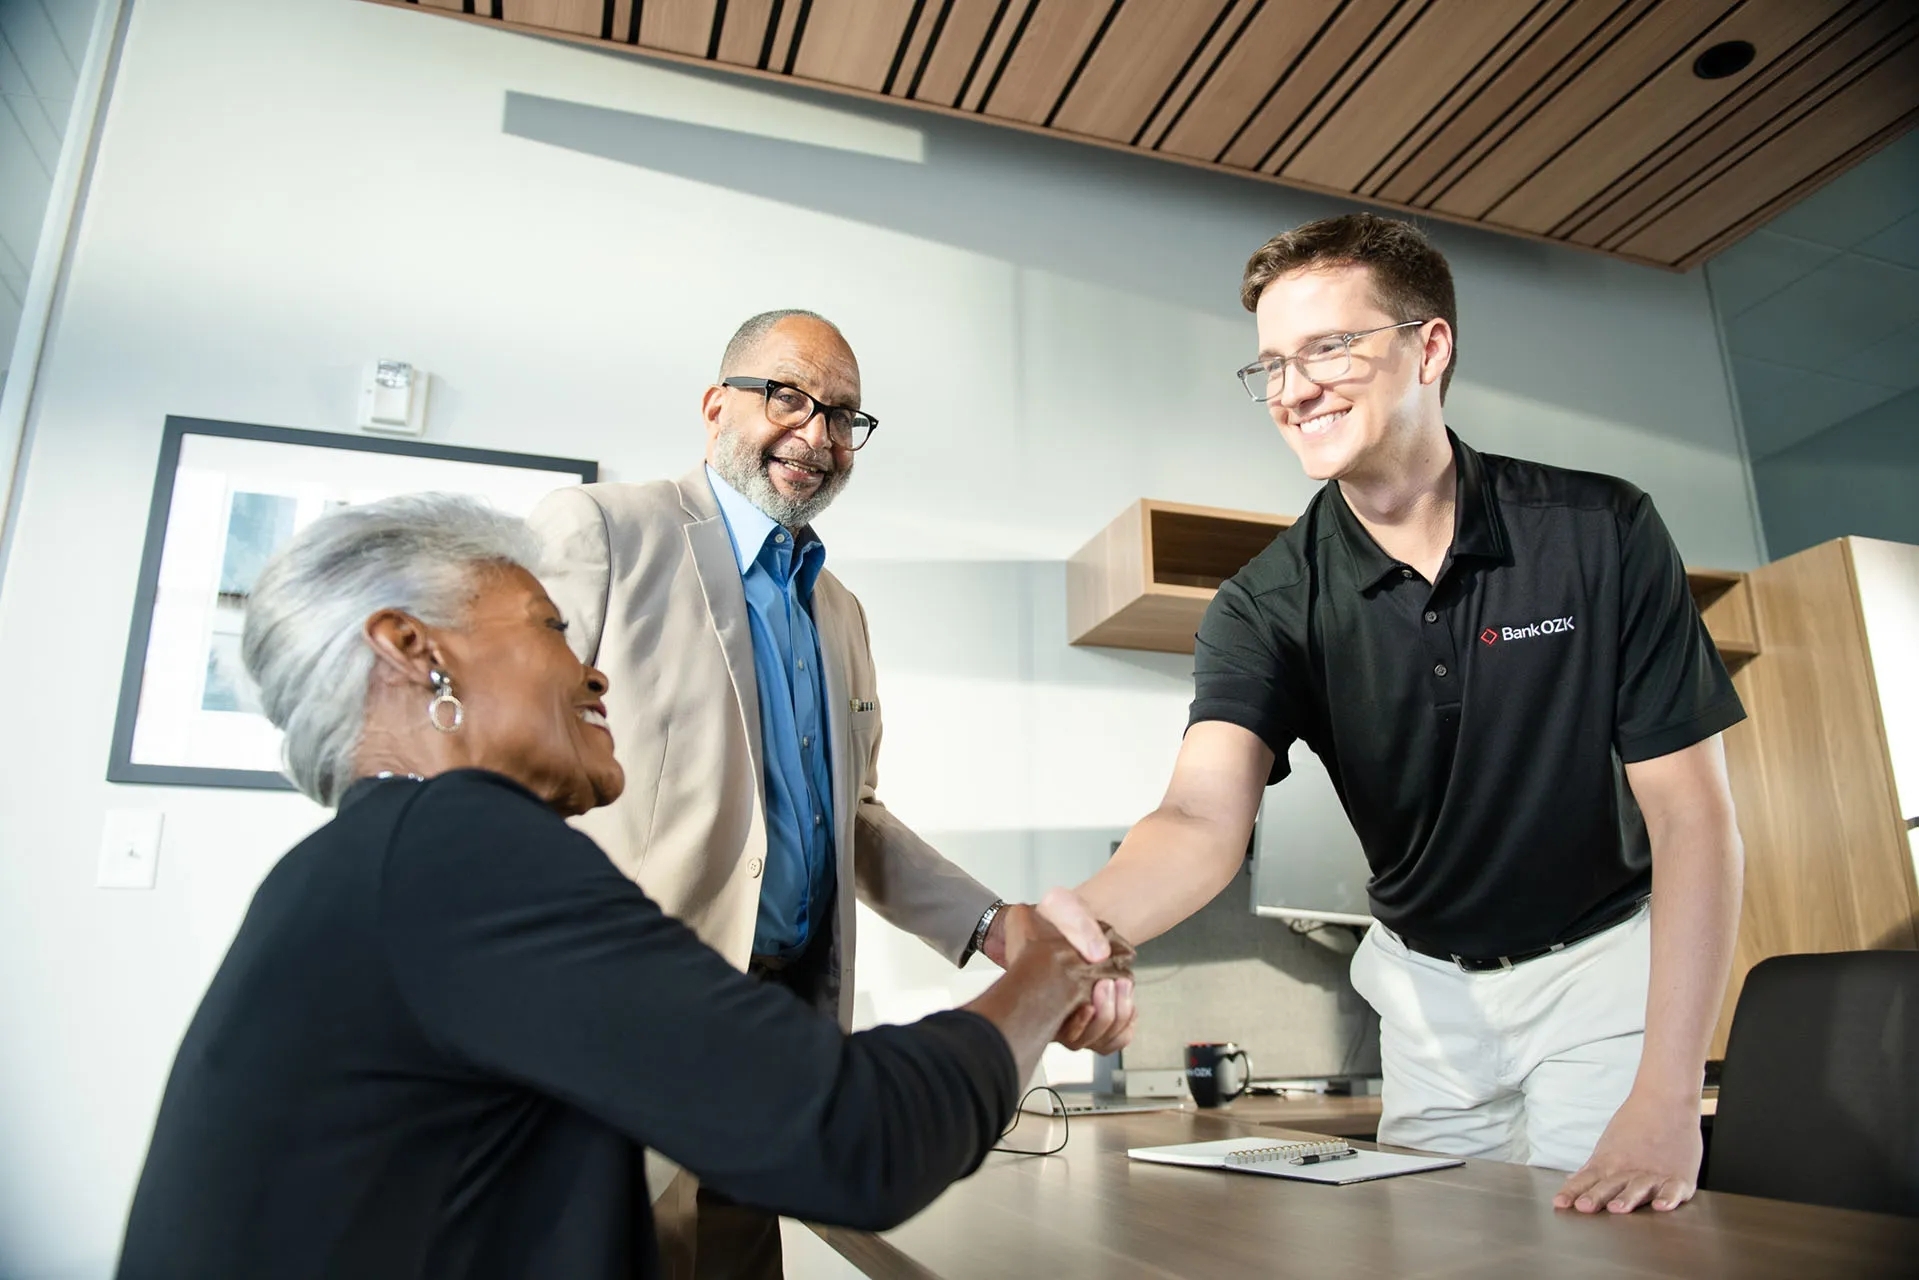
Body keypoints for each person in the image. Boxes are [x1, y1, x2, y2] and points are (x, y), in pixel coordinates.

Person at [116, 494, 1132, 1280]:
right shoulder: (455, 843)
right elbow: (857, 1136)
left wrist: (995, 926)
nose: (594, 670)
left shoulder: (362, 865)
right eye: (550, 626)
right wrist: (1045, 969)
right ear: (414, 650)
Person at [1047, 213, 1746, 1217]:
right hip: (1425, 1000)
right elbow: (1201, 818)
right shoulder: (1264, 602)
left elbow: (1691, 817)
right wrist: (1089, 924)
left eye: (1327, 346)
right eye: (1270, 365)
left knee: (1610, 1251)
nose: (1291, 390)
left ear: (1429, 346)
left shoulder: (1598, 532)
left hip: (1598, 978)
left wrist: (1666, 1090)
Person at [529, 311, 1133, 1273]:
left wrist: (993, 925)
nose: (817, 433)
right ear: (716, 403)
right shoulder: (604, 530)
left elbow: (852, 820)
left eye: (845, 415)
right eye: (789, 396)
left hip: (775, 1041)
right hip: (624, 1033)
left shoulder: (838, 609)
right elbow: (510, 763)